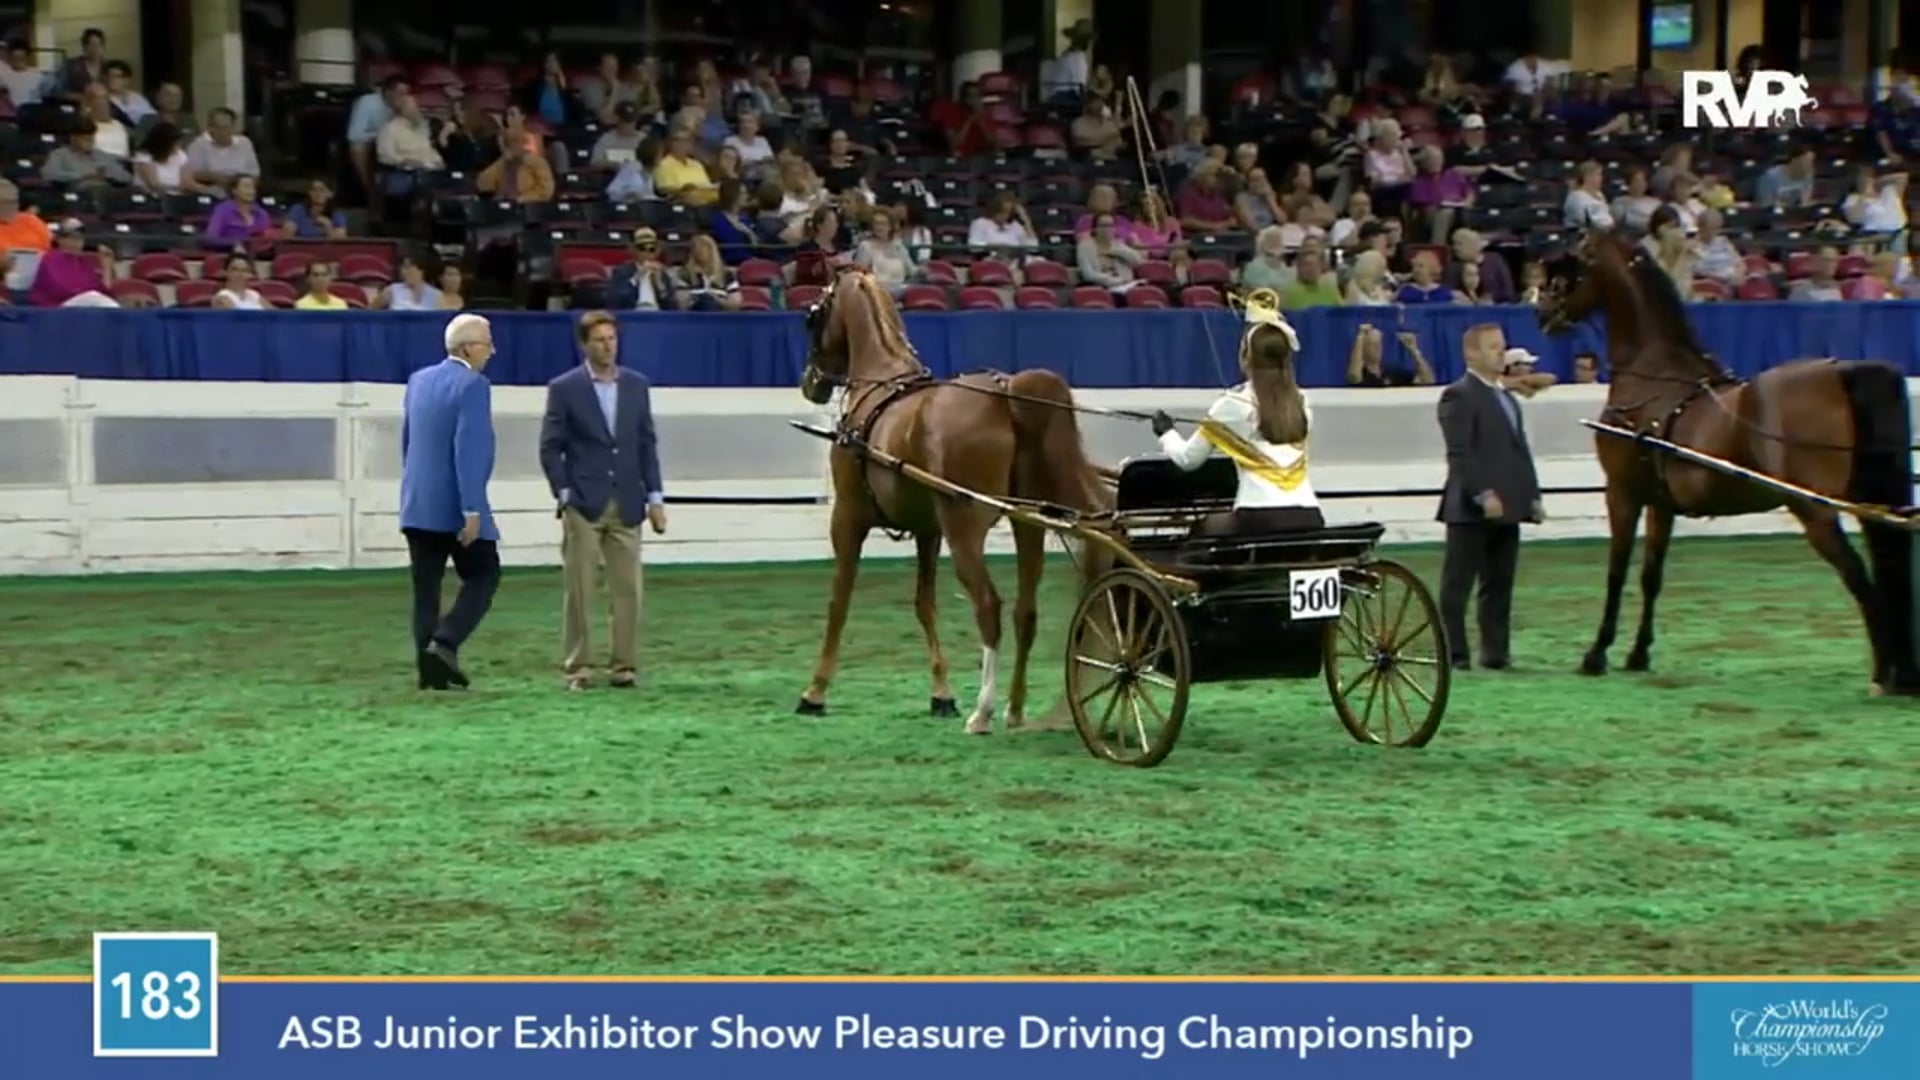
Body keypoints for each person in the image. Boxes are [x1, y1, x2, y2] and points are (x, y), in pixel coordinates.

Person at [539, 311, 668, 691]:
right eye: (599, 340)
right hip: (583, 504)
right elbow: (550, 447)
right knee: (580, 590)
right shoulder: (565, 388)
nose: (607, 346)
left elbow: (646, 444)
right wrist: (565, 493)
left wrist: (655, 497)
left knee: (629, 590)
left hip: (628, 500)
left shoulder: (636, 385)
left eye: (612, 339)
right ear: (584, 345)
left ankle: (624, 666)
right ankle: (578, 668)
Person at [1150, 290, 1322, 537]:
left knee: (1201, 531)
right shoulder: (1302, 403)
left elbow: (1188, 460)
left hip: (1258, 517)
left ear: (1245, 358)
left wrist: (1166, 433)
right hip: (1309, 516)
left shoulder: (1231, 405)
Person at [399, 314, 502, 690]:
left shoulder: (418, 381)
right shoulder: (474, 385)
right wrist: (471, 507)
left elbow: (408, 442)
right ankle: (444, 642)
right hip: (453, 505)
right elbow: (468, 448)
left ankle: (429, 673)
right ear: (468, 348)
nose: (492, 351)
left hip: (417, 502)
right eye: (487, 344)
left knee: (425, 591)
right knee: (484, 575)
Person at [1436, 323, 1544, 671]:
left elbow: (1519, 450)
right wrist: (1482, 494)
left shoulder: (1507, 398)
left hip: (1508, 505)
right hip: (1469, 509)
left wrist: (1532, 495)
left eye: (1501, 346)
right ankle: (1455, 653)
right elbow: (1460, 453)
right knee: (1458, 585)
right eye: (1493, 347)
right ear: (1472, 353)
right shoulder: (1458, 395)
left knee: (1499, 583)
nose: (1501, 353)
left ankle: (1496, 652)